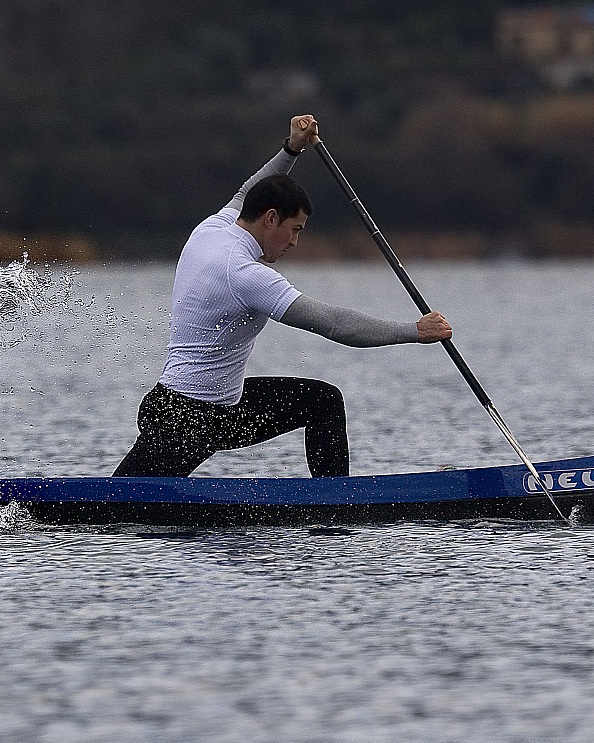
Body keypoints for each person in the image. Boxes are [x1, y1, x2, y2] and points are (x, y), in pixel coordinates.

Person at [113, 114, 452, 478]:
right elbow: (332, 324)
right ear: (270, 219)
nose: (295, 242)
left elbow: (249, 192)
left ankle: (333, 500)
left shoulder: (212, 229)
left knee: (322, 402)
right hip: (187, 420)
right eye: (295, 230)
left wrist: (292, 148)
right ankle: (335, 504)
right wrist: (414, 331)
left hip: (210, 409)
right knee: (115, 505)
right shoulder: (246, 275)